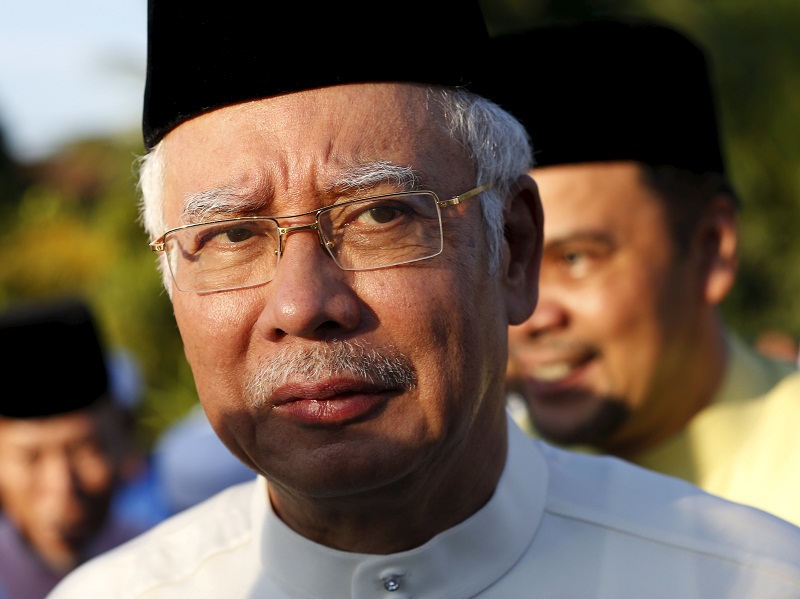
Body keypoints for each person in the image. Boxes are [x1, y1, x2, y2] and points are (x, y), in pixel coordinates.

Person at [47, 2, 800, 597]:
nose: (303, 303)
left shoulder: (749, 579)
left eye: (379, 215)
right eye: (232, 234)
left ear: (513, 248)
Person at [494, 19, 800, 526]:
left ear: (714, 248)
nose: (532, 313)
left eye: (576, 259)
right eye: (507, 259)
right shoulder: (486, 507)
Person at [0, 297, 152, 599]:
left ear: (123, 441)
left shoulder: (170, 566)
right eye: (29, 458)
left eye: (85, 450)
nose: (61, 486)